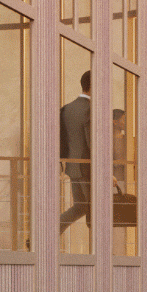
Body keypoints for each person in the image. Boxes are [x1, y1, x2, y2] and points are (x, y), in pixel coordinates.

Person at [59, 70, 93, 238]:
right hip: (89, 169)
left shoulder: (67, 109)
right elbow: (92, 144)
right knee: (98, 209)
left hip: (73, 168)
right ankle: (103, 251)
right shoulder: (91, 109)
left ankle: (43, 235)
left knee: (81, 207)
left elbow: (61, 140)